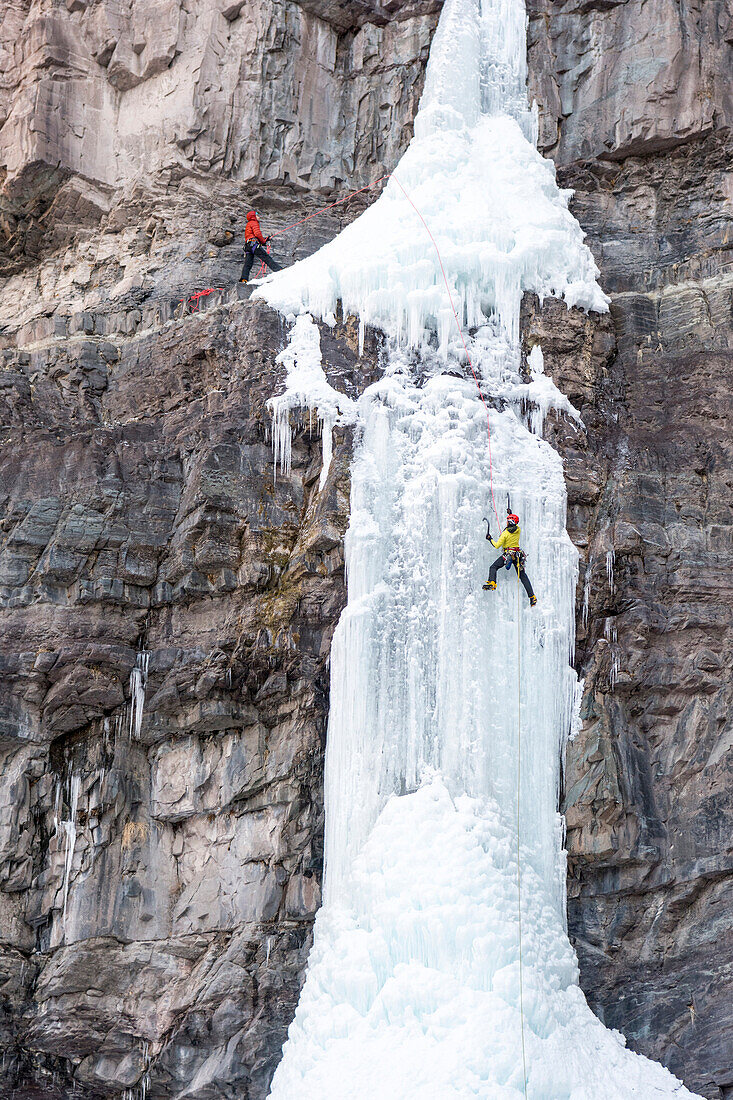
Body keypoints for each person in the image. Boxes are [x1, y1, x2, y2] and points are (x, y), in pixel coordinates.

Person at [483, 512, 537, 606]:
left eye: (507, 521)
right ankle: (532, 597)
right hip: (518, 556)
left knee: (493, 567)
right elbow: (514, 525)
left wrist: (490, 539)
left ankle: (492, 582)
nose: (506, 523)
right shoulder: (518, 530)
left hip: (508, 554)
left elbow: (496, 545)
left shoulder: (505, 534)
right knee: (523, 576)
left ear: (509, 522)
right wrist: (510, 513)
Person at [239, 211, 282, 283]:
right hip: (253, 244)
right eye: (257, 215)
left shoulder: (249, 224)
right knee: (266, 257)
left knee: (248, 264)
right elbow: (257, 234)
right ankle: (278, 270)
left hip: (248, 246)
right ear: (253, 216)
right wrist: (264, 242)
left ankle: (244, 279)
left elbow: (252, 236)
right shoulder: (254, 222)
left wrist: (264, 241)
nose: (259, 217)